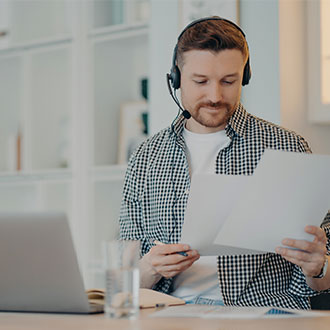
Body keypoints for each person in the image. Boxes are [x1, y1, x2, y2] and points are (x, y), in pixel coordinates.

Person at [119, 16, 330, 309]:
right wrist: (148, 269)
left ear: (244, 76)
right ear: (177, 78)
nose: (215, 96)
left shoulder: (288, 147)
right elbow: (126, 277)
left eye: (228, 81)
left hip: (266, 312)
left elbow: (320, 281)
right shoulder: (146, 156)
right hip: (172, 313)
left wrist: (318, 266)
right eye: (201, 81)